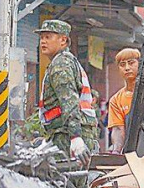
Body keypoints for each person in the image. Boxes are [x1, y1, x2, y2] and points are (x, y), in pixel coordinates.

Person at [36, 19, 99, 166]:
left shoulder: (61, 64)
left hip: (67, 135)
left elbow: (69, 101)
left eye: (48, 37)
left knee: (66, 184)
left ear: (63, 40)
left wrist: (75, 137)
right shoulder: (67, 61)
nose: (43, 42)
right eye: (42, 37)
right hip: (72, 132)